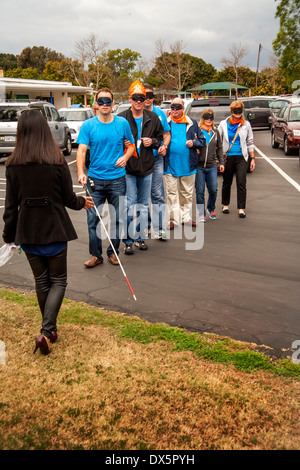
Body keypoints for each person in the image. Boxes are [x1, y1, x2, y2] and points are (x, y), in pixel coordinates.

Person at [2, 109, 94, 355]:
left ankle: (49, 330)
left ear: (21, 131)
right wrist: (81, 202)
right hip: (54, 229)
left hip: (28, 231)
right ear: (45, 129)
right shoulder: (56, 160)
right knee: (59, 281)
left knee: (41, 282)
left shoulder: (12, 164)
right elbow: (66, 197)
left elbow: (10, 207)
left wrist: (8, 236)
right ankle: (46, 331)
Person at [76, 88, 135, 267]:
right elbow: (81, 150)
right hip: (95, 179)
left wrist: (125, 157)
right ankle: (96, 255)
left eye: (107, 101)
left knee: (117, 218)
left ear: (113, 104)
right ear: (95, 104)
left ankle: (113, 252)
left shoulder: (122, 123)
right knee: (92, 219)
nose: (104, 105)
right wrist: (80, 172)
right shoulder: (88, 125)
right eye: (100, 101)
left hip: (118, 180)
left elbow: (131, 146)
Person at [119, 79, 164, 254]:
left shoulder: (153, 118)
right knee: (130, 205)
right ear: (130, 99)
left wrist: (152, 141)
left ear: (146, 99)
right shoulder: (122, 118)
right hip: (129, 169)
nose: (139, 101)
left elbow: (161, 139)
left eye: (142, 98)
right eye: (135, 98)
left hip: (147, 168)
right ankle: (128, 240)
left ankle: (140, 238)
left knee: (144, 205)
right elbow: (115, 140)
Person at [164, 98, 206, 229]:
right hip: (169, 164)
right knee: (171, 194)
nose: (175, 110)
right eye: (172, 107)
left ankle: (185, 217)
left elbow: (202, 141)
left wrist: (193, 143)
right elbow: (159, 139)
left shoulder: (192, 123)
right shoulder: (165, 122)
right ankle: (174, 219)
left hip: (188, 165)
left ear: (183, 108)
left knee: (187, 193)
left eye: (177, 107)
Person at [218, 101, 255, 218]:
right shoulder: (223, 124)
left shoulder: (246, 125)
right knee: (227, 181)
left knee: (241, 182)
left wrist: (252, 158)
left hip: (241, 157)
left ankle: (241, 208)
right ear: (232, 111)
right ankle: (225, 204)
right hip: (227, 156)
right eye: (235, 110)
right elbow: (218, 141)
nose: (237, 113)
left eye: (239, 110)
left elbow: (250, 142)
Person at [143, 84, 171, 241]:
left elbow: (167, 134)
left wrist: (164, 146)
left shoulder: (159, 113)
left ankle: (160, 228)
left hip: (157, 159)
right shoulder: (136, 114)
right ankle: (146, 227)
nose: (147, 99)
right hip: (141, 160)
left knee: (157, 194)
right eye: (144, 95)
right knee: (143, 195)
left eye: (150, 95)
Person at [195, 108, 224, 222]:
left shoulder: (215, 132)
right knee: (200, 191)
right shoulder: (198, 131)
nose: (208, 120)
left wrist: (221, 162)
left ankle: (211, 208)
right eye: (206, 117)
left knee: (213, 189)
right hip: (199, 166)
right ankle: (201, 213)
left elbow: (220, 148)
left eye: (211, 117)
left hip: (212, 165)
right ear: (203, 118)